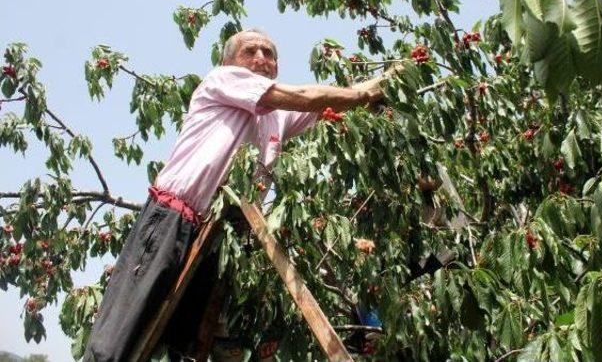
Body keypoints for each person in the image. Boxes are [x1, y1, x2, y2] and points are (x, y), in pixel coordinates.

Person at [82, 28, 387, 362]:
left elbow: (323, 106)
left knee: (187, 344)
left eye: (269, 53)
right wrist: (363, 95)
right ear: (228, 61)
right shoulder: (224, 80)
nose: (261, 58)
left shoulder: (278, 117)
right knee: (120, 335)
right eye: (250, 51)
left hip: (221, 238)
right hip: (173, 220)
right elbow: (306, 95)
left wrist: (385, 83)